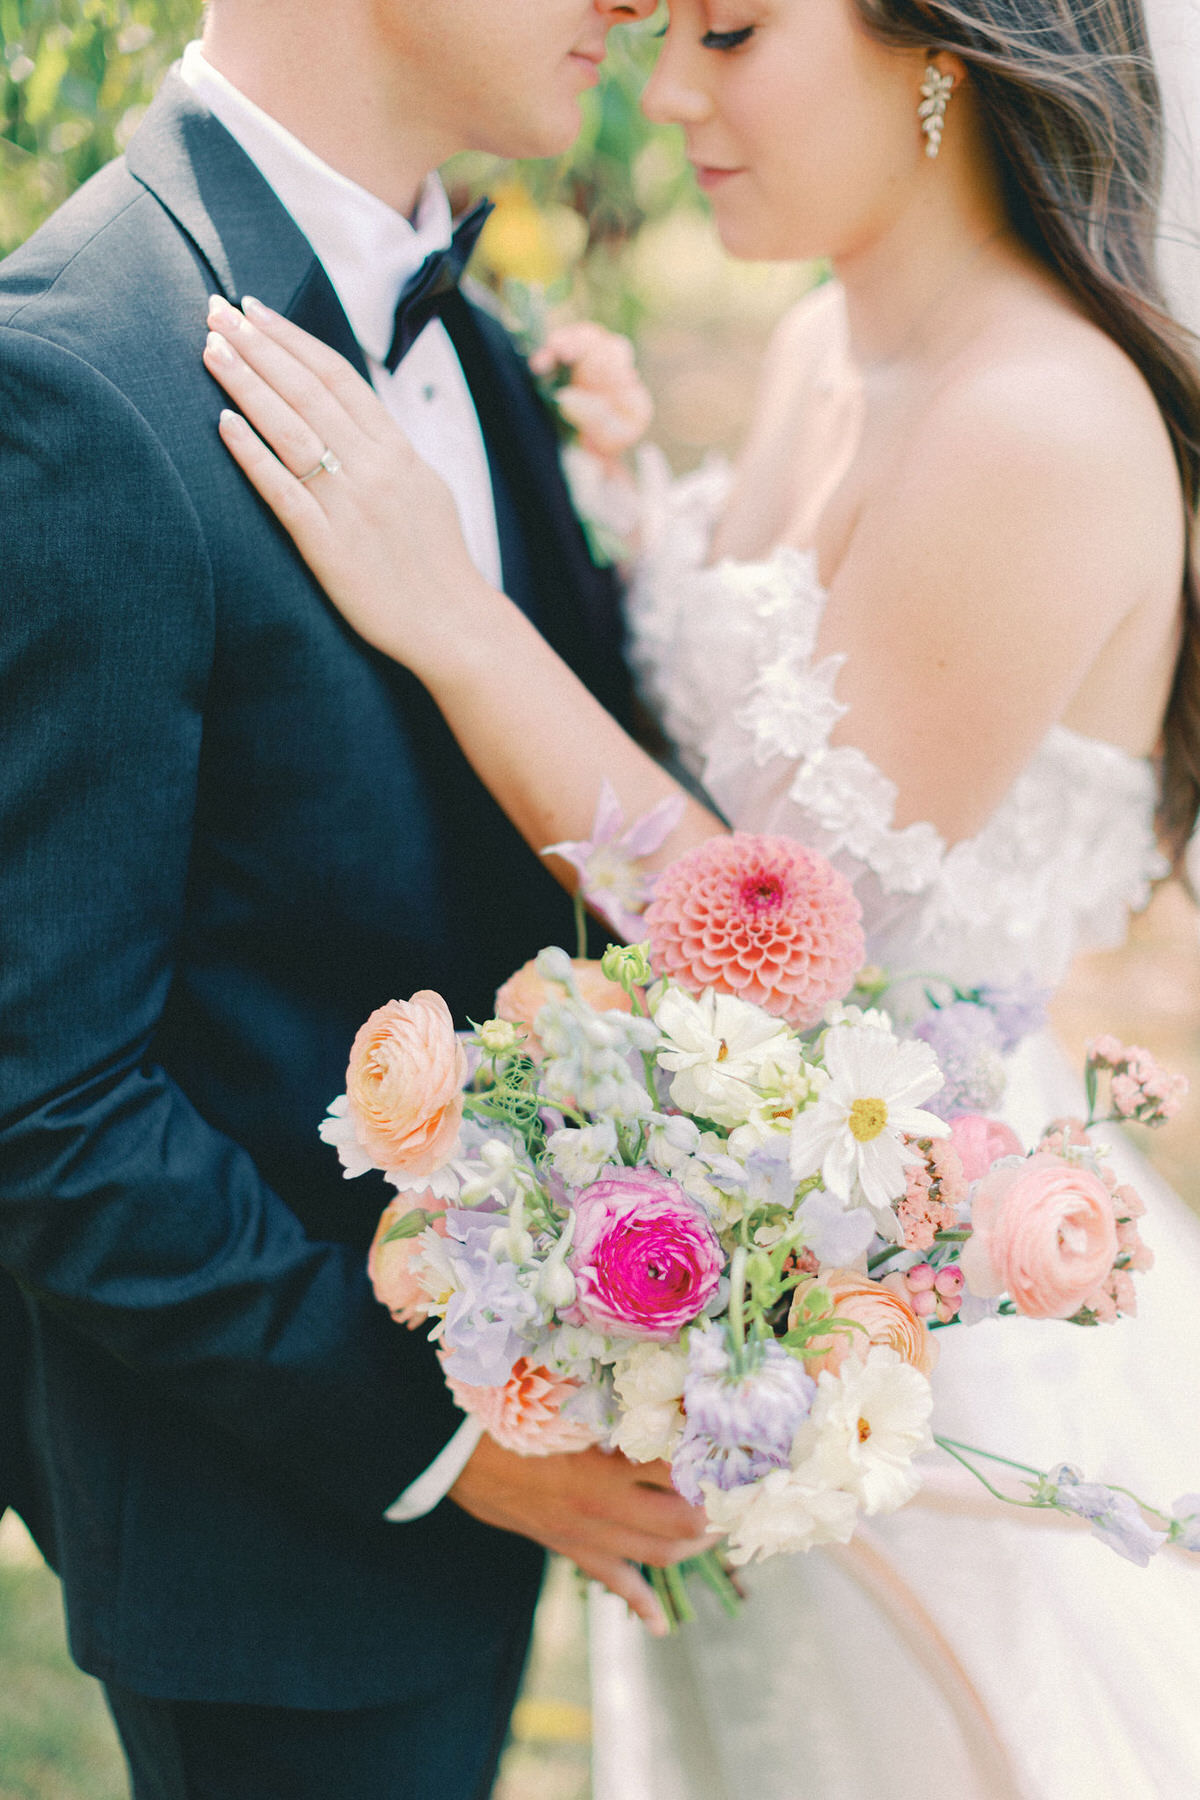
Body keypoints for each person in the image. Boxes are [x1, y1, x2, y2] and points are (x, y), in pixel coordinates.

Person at [199, 0, 1200, 1790]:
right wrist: (608, 513)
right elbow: (747, 763)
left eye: (733, 31)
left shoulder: (1040, 422)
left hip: (916, 1352)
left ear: (941, 56)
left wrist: (456, 612)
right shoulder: (833, 344)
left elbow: (779, 940)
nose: (662, 92)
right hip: (743, 1315)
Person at [0, 2, 728, 1796]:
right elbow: (45, 1100)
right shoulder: (79, 369)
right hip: (281, 1543)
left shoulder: (463, 339)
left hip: (492, 1497)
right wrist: (453, 1442)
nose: (636, 5)